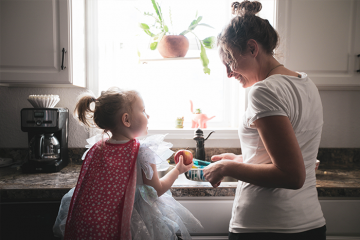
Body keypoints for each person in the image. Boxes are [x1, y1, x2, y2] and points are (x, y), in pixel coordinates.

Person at [203, 1, 326, 239]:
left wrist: (227, 167)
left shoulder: (264, 91)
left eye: (229, 60)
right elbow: (295, 154)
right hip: (310, 223)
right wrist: (242, 159)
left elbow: (292, 175)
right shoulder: (306, 83)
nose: (229, 73)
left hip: (266, 227)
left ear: (252, 48)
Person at [53, 87, 202, 240]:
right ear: (126, 120)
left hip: (98, 226)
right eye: (143, 110)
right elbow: (156, 190)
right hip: (133, 226)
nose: (148, 115)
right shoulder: (142, 151)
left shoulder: (97, 148)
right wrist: (178, 170)